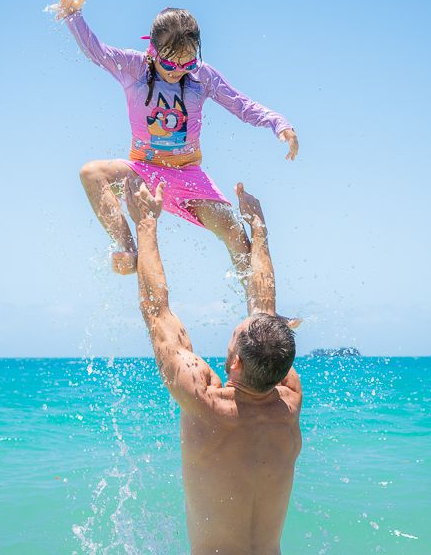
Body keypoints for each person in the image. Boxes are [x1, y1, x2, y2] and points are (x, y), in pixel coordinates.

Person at [47, 0, 299, 279]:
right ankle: (128, 249)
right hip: (143, 171)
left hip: (189, 176)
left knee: (234, 232)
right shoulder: (133, 67)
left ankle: (261, 312)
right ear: (152, 49)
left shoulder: (202, 76)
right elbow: (97, 52)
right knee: (91, 173)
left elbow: (241, 104)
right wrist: (73, 17)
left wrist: (279, 123)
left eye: (187, 61)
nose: (178, 69)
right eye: (170, 61)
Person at [124, 176, 302, 555]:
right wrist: (259, 229)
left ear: (234, 362)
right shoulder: (289, 399)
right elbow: (264, 311)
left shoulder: (205, 405)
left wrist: (146, 223)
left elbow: (157, 312)